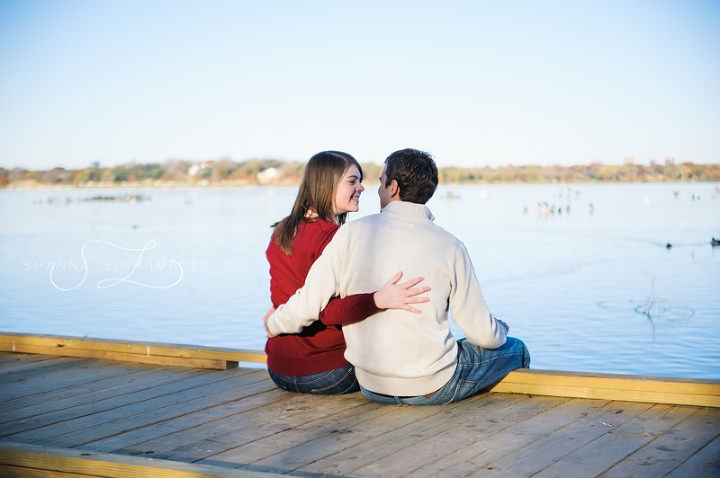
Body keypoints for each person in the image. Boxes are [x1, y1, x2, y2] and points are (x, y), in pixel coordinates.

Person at [266, 148, 530, 405]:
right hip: (427, 385)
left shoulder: (349, 233)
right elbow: (482, 333)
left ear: (393, 188)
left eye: (379, 182)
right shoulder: (450, 245)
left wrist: (275, 323)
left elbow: (309, 299)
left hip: (371, 385)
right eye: (355, 181)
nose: (372, 188)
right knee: (514, 347)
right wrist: (500, 331)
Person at [265, 150, 430, 395]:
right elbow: (329, 312)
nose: (362, 188)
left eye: (360, 181)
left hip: (279, 369)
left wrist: (275, 320)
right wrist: (379, 299)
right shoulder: (335, 238)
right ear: (326, 184)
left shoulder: (282, 230)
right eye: (352, 181)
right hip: (329, 372)